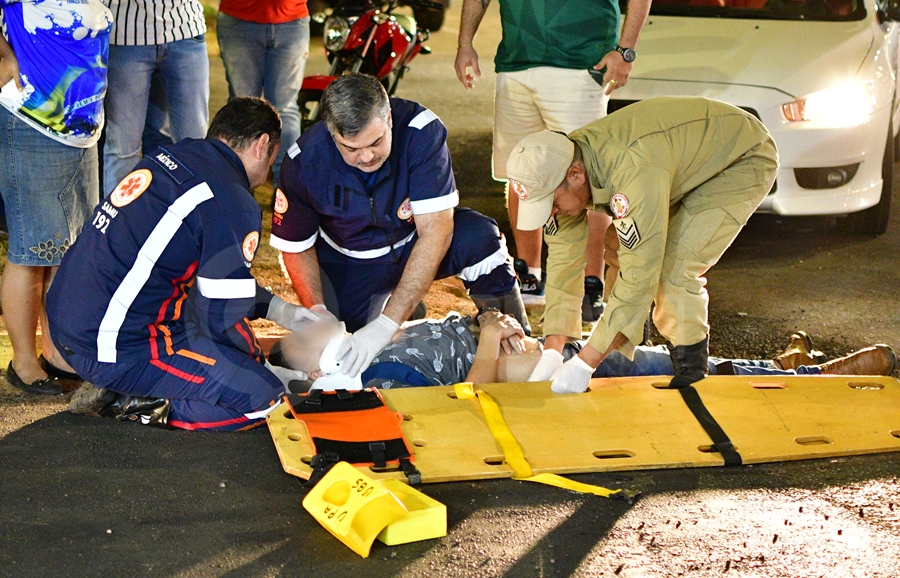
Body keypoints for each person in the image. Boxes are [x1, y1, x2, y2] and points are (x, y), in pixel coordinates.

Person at [47, 98, 328, 431]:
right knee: (265, 399)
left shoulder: (173, 155)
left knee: (231, 341)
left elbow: (218, 285)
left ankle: (131, 383)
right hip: (113, 349)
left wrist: (282, 312)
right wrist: (262, 369)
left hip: (69, 323)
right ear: (262, 144)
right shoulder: (232, 200)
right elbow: (221, 312)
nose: (267, 174)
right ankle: (131, 402)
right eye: (271, 160)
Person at [505, 96, 779, 394]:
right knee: (618, 244)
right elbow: (562, 260)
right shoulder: (564, 164)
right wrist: (553, 348)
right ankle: (629, 338)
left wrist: (586, 363)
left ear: (575, 175)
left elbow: (641, 273)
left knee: (673, 268)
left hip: (739, 157)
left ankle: (691, 373)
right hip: (678, 159)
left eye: (553, 204)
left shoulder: (631, 169)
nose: (552, 213)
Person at [270, 74, 530, 378]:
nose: (366, 156)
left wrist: (387, 324)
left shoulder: (422, 131)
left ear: (389, 118)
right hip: (349, 262)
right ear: (330, 134)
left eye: (376, 141)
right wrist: (318, 312)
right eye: (351, 148)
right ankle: (402, 307)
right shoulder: (304, 160)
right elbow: (296, 247)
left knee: (478, 236)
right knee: (339, 359)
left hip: (414, 242)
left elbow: (437, 230)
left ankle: (515, 337)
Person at [454, 0, 655, 320]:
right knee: (520, 173)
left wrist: (626, 52)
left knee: (589, 179)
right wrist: (464, 43)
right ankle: (529, 274)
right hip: (515, 66)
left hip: (580, 68)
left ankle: (589, 285)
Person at [267, 311, 897, 391]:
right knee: (679, 368)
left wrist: (491, 324)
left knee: (660, 352)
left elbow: (465, 345)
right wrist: (490, 338)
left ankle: (789, 367)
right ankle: (817, 374)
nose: (309, 319)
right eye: (299, 336)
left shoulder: (385, 338)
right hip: (560, 374)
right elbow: (473, 398)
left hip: (549, 353)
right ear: (313, 366)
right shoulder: (383, 373)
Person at [0, 0, 111, 395]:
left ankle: (58, 354)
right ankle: (24, 363)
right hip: (32, 123)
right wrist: (6, 56)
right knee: (33, 252)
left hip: (79, 133)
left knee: (66, 251)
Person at [99, 0, 209, 195]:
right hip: (125, 34)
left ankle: (189, 220)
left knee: (193, 146)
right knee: (122, 147)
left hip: (185, 29)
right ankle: (119, 225)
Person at [217, 0, 310, 180]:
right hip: (239, 20)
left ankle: (287, 185)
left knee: (285, 108)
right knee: (242, 107)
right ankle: (236, 184)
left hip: (291, 20)